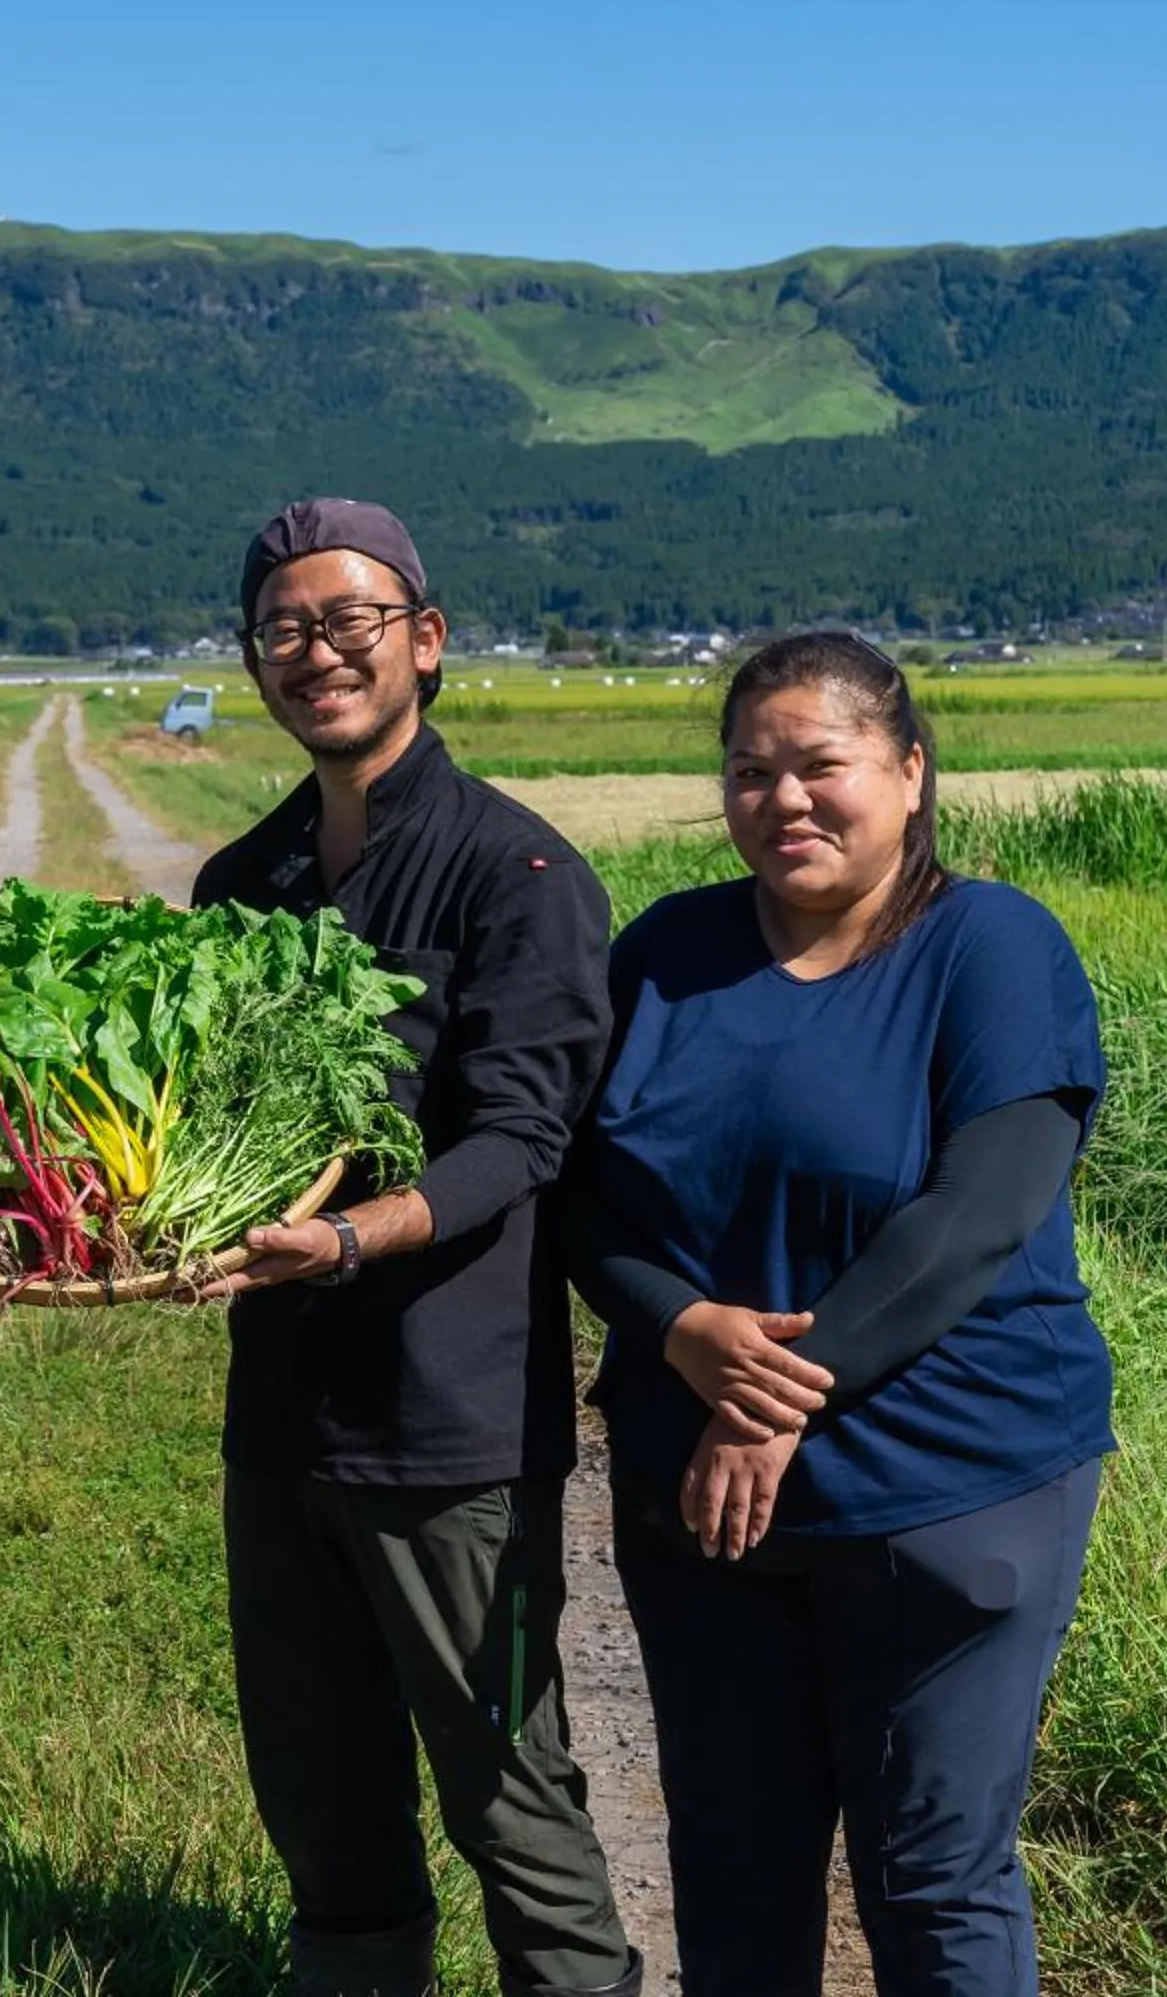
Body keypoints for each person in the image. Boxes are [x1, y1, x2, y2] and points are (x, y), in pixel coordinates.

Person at [564, 632, 1110, 1997]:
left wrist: (769, 1403)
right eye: (751, 772)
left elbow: (976, 1215)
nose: (784, 799)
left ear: (910, 772)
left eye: (821, 764)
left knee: (931, 1876)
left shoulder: (991, 948)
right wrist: (680, 1328)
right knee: (733, 1868)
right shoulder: (668, 953)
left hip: (945, 1484)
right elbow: (578, 1190)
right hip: (701, 1503)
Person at [193, 498, 643, 1997]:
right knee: (321, 1806)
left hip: (452, 1431)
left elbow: (521, 1143)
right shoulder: (241, 884)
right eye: (283, 629)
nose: (315, 653)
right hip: (282, 1422)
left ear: (425, 642)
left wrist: (343, 1241)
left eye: (349, 622)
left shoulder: (518, 875)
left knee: (511, 1798)